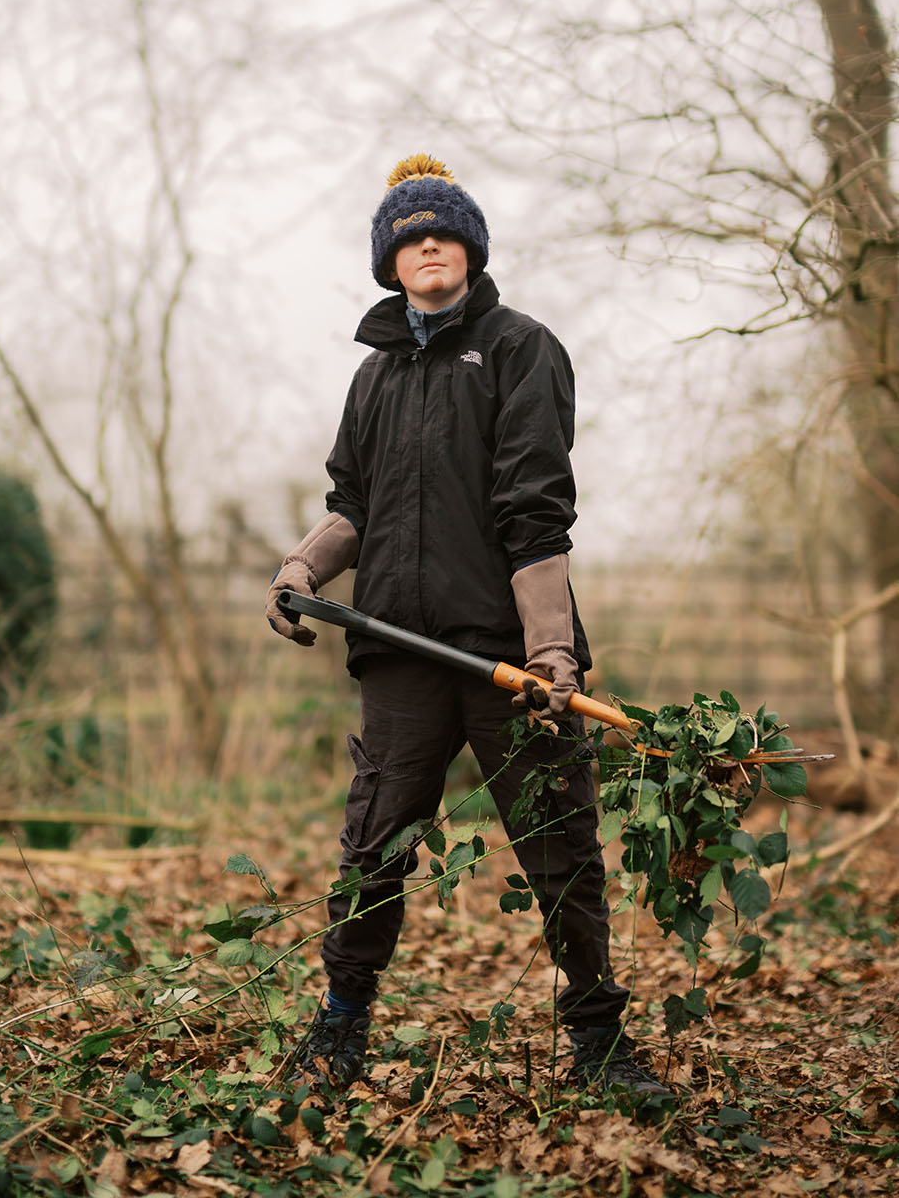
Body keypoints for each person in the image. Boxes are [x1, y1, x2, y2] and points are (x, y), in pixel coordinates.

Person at [265, 154, 670, 1101]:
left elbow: (535, 509)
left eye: (441, 229)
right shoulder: (372, 378)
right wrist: (300, 567)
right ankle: (342, 1025)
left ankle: (598, 1040)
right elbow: (352, 506)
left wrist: (551, 651)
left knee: (558, 836)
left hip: (510, 657)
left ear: (471, 248)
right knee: (375, 843)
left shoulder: (521, 348)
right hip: (399, 651)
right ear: (390, 263)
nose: (426, 244)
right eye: (407, 236)